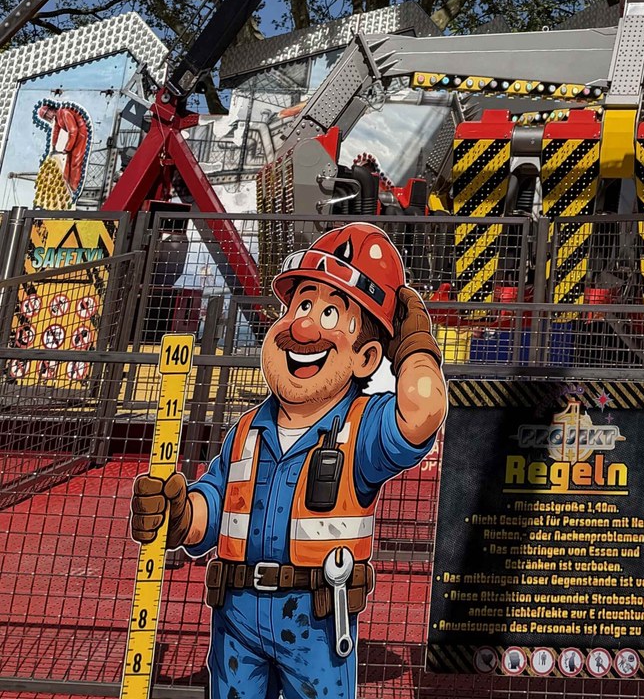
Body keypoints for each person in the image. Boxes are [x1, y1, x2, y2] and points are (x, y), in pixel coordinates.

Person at [129, 221, 446, 699]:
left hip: (315, 620)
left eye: (331, 314)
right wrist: (179, 516)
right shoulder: (246, 430)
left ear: (367, 358)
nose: (303, 326)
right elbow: (216, 505)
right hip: (236, 617)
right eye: (301, 305)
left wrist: (416, 343)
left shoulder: (361, 429)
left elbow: (423, 411)